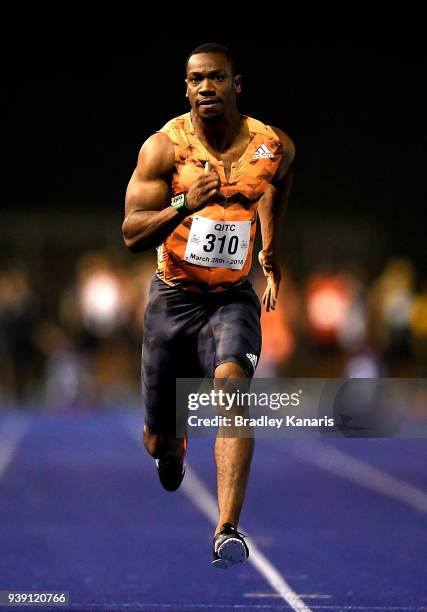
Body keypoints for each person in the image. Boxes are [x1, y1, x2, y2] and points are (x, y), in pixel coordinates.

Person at [122, 43, 295, 568]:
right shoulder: (163, 149)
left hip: (230, 298)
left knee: (231, 387)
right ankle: (173, 449)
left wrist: (269, 249)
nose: (205, 89)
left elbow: (278, 183)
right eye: (195, 80)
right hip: (173, 298)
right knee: (158, 441)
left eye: (216, 78)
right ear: (186, 89)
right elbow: (130, 233)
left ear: (235, 85)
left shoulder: (272, 146)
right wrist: (182, 204)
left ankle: (227, 529)